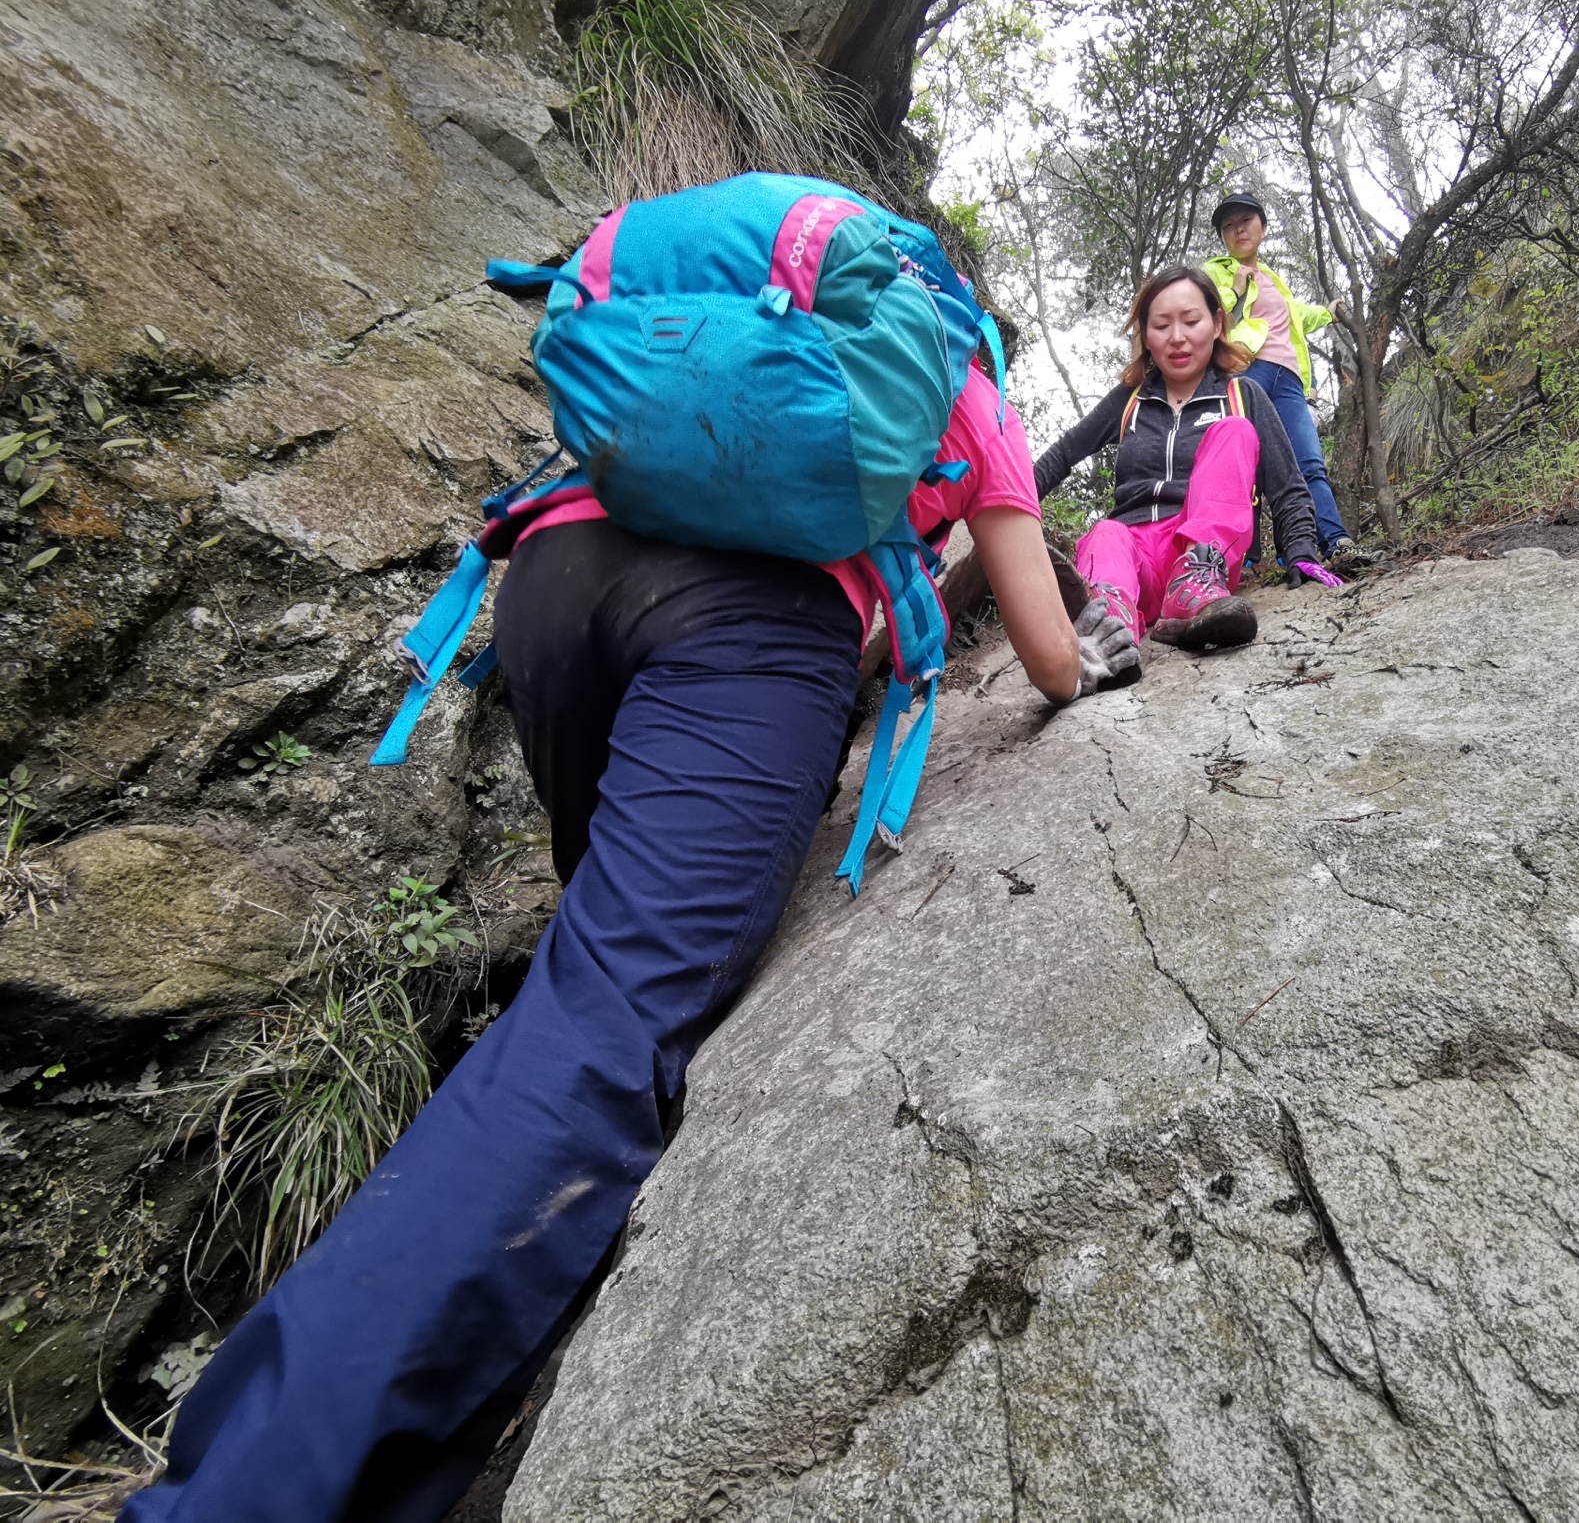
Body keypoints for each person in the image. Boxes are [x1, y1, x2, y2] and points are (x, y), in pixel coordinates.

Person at [122, 362, 1132, 1523]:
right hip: (744, 615)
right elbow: (1051, 656)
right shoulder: (954, 374)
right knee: (592, 1045)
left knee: (573, 992)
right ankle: (235, 1498)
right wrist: (1089, 659)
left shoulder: (749, 336)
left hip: (557, 580)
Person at [1034, 266, 1342, 660]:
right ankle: (1107, 629)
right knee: (1105, 534)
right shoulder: (1130, 399)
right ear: (1146, 335)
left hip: (1203, 555)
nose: (1177, 337)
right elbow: (1064, 454)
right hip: (1134, 557)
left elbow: (1287, 485)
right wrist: (1005, 509)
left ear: (1216, 324)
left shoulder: (1241, 394)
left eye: (1191, 321)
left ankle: (1191, 589)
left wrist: (1301, 550)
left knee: (1234, 431)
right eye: (1161, 325)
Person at [1202, 194, 1358, 565]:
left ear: (1263, 228)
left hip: (1288, 380)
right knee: (1249, 464)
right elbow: (1206, 317)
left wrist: (1329, 312)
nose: (1238, 228)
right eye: (1229, 225)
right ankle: (1248, 559)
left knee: (1308, 461)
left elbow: (1297, 317)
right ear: (1223, 237)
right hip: (1247, 373)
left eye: (1246, 220)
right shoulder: (1215, 271)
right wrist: (1235, 289)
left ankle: (1334, 542)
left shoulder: (1273, 278)